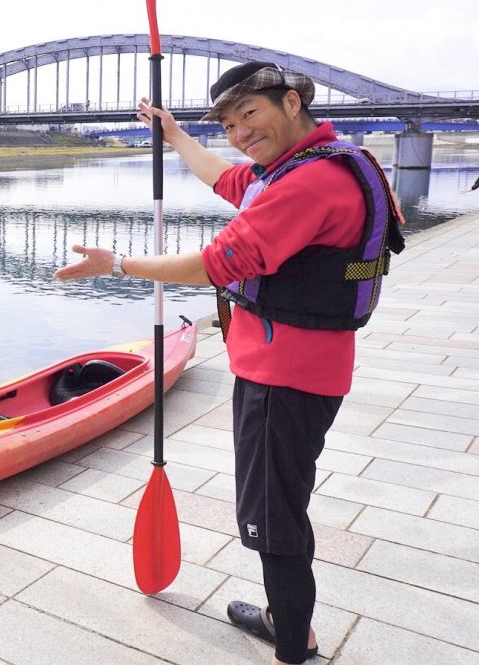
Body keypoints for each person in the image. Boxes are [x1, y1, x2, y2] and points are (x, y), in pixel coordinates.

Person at [54, 62, 404, 665]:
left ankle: (293, 642)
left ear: (292, 103)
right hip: (301, 363)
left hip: (284, 376)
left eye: (251, 114)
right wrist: (177, 137)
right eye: (228, 123)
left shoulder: (308, 185)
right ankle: (285, 619)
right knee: (279, 499)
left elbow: (215, 264)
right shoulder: (316, 163)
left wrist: (119, 266)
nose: (240, 132)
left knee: (275, 514)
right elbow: (228, 180)